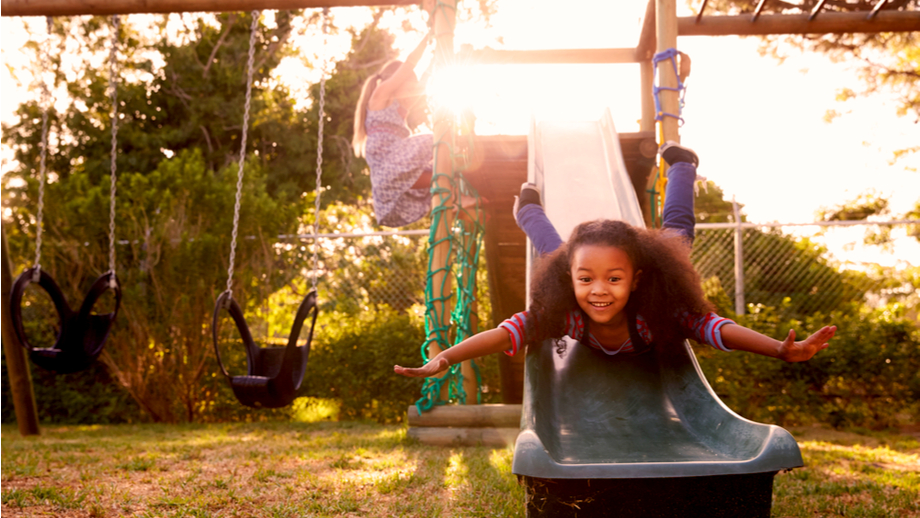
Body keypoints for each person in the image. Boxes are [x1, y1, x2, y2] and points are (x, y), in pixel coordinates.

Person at [394, 142, 836, 377]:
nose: (599, 290)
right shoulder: (566, 311)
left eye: (614, 279)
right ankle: (528, 210)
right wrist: (447, 358)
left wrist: (779, 348)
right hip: (566, 263)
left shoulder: (660, 311)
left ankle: (683, 166)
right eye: (587, 280)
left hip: (649, 262)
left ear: (637, 279)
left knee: (677, 232)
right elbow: (501, 334)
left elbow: (718, 330)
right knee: (555, 251)